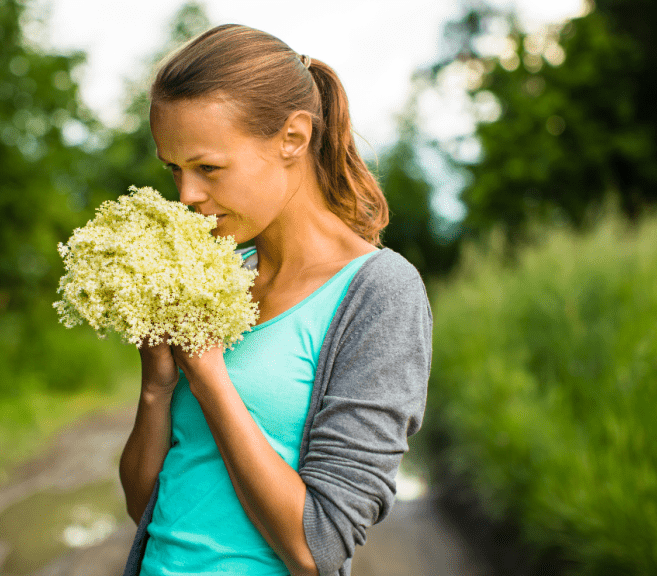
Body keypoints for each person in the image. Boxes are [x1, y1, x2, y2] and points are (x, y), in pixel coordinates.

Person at [119, 24, 432, 576]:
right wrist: (156, 388)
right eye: (175, 169)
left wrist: (208, 376)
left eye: (207, 168)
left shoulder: (381, 294)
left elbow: (318, 548)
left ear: (293, 137)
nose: (186, 195)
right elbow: (143, 507)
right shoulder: (216, 275)